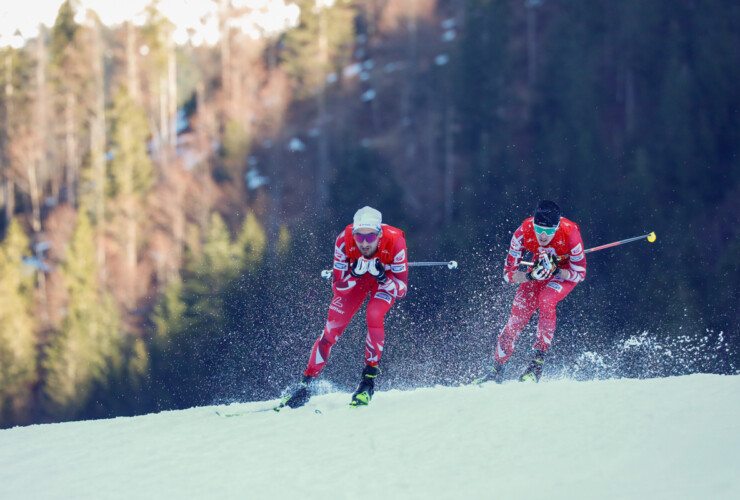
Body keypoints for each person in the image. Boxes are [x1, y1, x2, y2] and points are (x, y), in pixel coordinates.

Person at [277, 206, 408, 409]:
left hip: (384, 278)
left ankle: (367, 383)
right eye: (359, 237)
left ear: (379, 234)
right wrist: (354, 274)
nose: (364, 243)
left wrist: (382, 276)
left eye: (371, 237)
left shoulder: (396, 241)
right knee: (332, 328)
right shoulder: (342, 241)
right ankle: (306, 384)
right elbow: (338, 288)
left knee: (374, 314)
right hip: (356, 280)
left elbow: (401, 291)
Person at [476, 200, 587, 383]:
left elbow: (580, 274)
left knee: (546, 299)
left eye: (549, 231)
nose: (543, 235)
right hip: (538, 272)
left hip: (564, 273)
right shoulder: (522, 232)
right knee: (516, 317)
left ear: (557, 227)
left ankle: (535, 367)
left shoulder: (571, 233)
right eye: (539, 229)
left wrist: (557, 271)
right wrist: (529, 276)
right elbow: (507, 274)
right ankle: (496, 370)